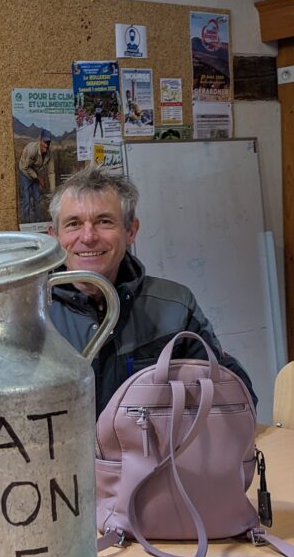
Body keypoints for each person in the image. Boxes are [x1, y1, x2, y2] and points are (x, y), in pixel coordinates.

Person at [47, 165, 255, 416]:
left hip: (151, 444)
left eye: (104, 221)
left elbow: (235, 398)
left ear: (131, 231)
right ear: (54, 236)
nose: (88, 237)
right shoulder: (28, 313)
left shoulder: (175, 306)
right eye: (73, 224)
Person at [17, 129, 54, 223]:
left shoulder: (49, 154)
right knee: (26, 198)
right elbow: (26, 167)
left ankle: (38, 221)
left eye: (48, 143)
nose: (46, 145)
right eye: (45, 142)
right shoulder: (32, 150)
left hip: (35, 173)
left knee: (37, 198)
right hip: (24, 172)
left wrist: (53, 191)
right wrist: (38, 178)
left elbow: (51, 173)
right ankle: (25, 221)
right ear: (40, 141)